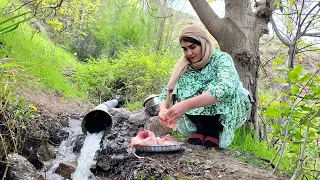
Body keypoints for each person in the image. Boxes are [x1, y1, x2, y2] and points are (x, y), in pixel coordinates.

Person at [157, 25, 251, 148]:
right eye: (185, 49)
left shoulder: (221, 59)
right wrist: (163, 109)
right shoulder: (185, 65)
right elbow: (168, 90)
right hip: (198, 118)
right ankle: (201, 130)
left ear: (203, 43)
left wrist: (186, 104)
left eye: (192, 47)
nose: (189, 53)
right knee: (184, 86)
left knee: (217, 87)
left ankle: (213, 131)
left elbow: (226, 87)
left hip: (228, 107)